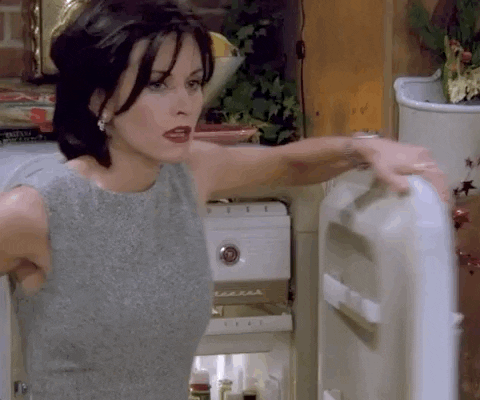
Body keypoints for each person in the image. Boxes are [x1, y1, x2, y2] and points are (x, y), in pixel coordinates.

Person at [0, 0, 450, 398]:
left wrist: (365, 149)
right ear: (100, 99)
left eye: (193, 82)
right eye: (158, 84)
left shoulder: (189, 172)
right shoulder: (37, 211)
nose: (185, 105)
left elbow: (288, 165)